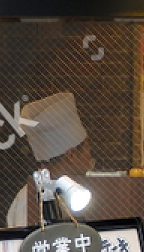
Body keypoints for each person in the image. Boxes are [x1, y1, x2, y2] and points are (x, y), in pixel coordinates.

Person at [7, 91, 94, 228]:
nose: (90, 157)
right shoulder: (30, 202)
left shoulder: (77, 193)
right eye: (87, 149)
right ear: (71, 155)